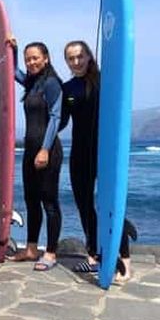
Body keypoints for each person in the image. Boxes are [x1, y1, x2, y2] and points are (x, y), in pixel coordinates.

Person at [61, 40, 135, 281]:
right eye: (71, 58)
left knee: (108, 204)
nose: (76, 62)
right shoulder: (67, 89)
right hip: (80, 153)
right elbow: (61, 120)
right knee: (84, 205)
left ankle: (124, 260)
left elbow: (119, 110)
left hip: (105, 152)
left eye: (80, 56)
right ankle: (94, 256)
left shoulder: (104, 81)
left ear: (89, 56)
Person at [8, 38, 63, 271]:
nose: (31, 62)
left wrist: (45, 149)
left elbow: (56, 117)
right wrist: (13, 49)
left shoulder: (51, 83)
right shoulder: (31, 83)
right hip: (30, 150)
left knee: (49, 202)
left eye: (35, 58)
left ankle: (50, 252)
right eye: (27, 59)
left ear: (46, 58)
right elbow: (12, 71)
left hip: (46, 150)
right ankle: (31, 249)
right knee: (31, 200)